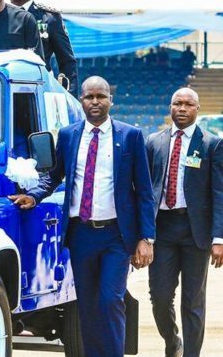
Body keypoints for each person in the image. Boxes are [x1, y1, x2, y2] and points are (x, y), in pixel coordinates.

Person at [9, 76, 156, 356]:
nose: (95, 102)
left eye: (101, 96)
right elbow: (54, 176)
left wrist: (146, 237)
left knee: (110, 300)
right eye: (90, 97)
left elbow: (145, 191)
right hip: (81, 234)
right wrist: (35, 195)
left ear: (110, 100)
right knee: (87, 305)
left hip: (117, 235)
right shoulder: (67, 135)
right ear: (81, 100)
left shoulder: (130, 136)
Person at [146, 87, 223, 357]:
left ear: (197, 109)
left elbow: (219, 193)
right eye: (177, 103)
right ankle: (172, 341)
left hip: (195, 232)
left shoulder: (211, 144)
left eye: (188, 104)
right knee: (160, 297)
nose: (181, 108)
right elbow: (144, 192)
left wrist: (219, 238)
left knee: (193, 302)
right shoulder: (154, 142)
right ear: (170, 107)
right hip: (162, 230)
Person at [2, 0, 78, 97]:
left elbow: (67, 61)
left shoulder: (50, 18)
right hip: (4, 88)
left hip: (40, 89)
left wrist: (69, 98)